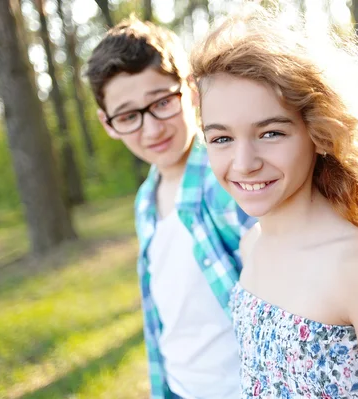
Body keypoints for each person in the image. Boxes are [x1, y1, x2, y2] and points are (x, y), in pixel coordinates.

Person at [191, 8, 358, 399]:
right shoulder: (251, 245)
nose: (244, 163)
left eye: (270, 133)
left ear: (319, 133)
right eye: (221, 139)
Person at [86, 17, 254, 399]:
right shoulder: (146, 200)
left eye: (162, 102)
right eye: (129, 116)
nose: (151, 130)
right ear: (108, 123)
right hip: (178, 387)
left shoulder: (233, 179)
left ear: (190, 90)